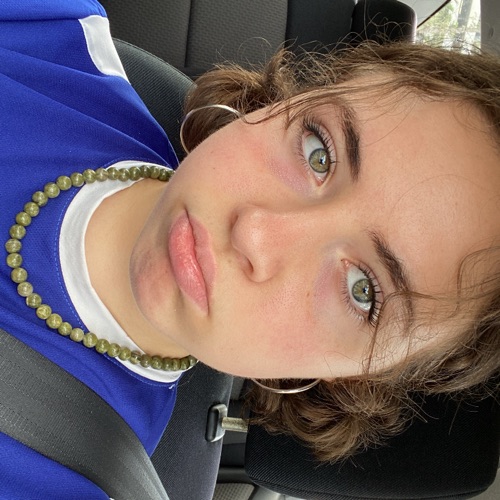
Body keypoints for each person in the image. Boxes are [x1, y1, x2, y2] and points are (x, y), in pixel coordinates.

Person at [0, 0, 499, 497]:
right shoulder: (54, 25)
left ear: (354, 378)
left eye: (361, 288)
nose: (256, 232)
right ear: (286, 103)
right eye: (319, 153)